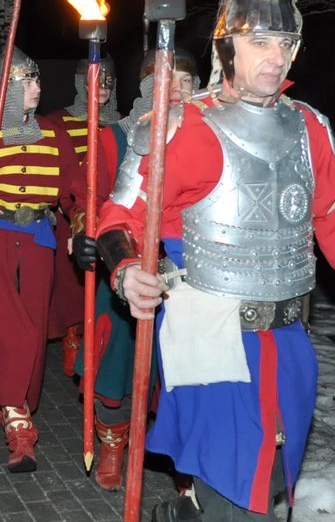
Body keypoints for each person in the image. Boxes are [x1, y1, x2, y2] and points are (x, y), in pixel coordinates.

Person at [91, 0, 335, 520]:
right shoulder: (183, 128)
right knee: (237, 485)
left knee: (271, 478)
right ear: (228, 47)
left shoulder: (308, 127)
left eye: (286, 43)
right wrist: (125, 270)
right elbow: (120, 217)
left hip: (289, 334)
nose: (276, 57)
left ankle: (183, 515)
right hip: (209, 331)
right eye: (261, 42)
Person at [0, 47, 99, 473]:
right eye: (26, 81)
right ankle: (20, 426)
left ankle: (10, 399)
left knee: (31, 325)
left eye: (37, 80)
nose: (37, 87)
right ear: (3, 89)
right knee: (4, 326)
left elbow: (73, 192)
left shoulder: (54, 134)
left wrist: (81, 225)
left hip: (39, 241)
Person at [73, 48, 198, 491]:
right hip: (128, 269)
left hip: (189, 276)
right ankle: (113, 445)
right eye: (169, 80)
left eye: (187, 81)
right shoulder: (116, 138)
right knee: (117, 366)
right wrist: (83, 234)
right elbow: (87, 199)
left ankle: (189, 466)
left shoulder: (210, 136)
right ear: (148, 87)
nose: (179, 90)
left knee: (187, 375)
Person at [46, 56, 119, 378]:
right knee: (71, 283)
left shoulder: (122, 123)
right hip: (73, 212)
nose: (102, 88)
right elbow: (56, 170)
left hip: (113, 214)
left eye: (108, 81)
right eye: (96, 80)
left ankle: (100, 341)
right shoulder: (58, 122)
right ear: (81, 83)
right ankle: (73, 336)